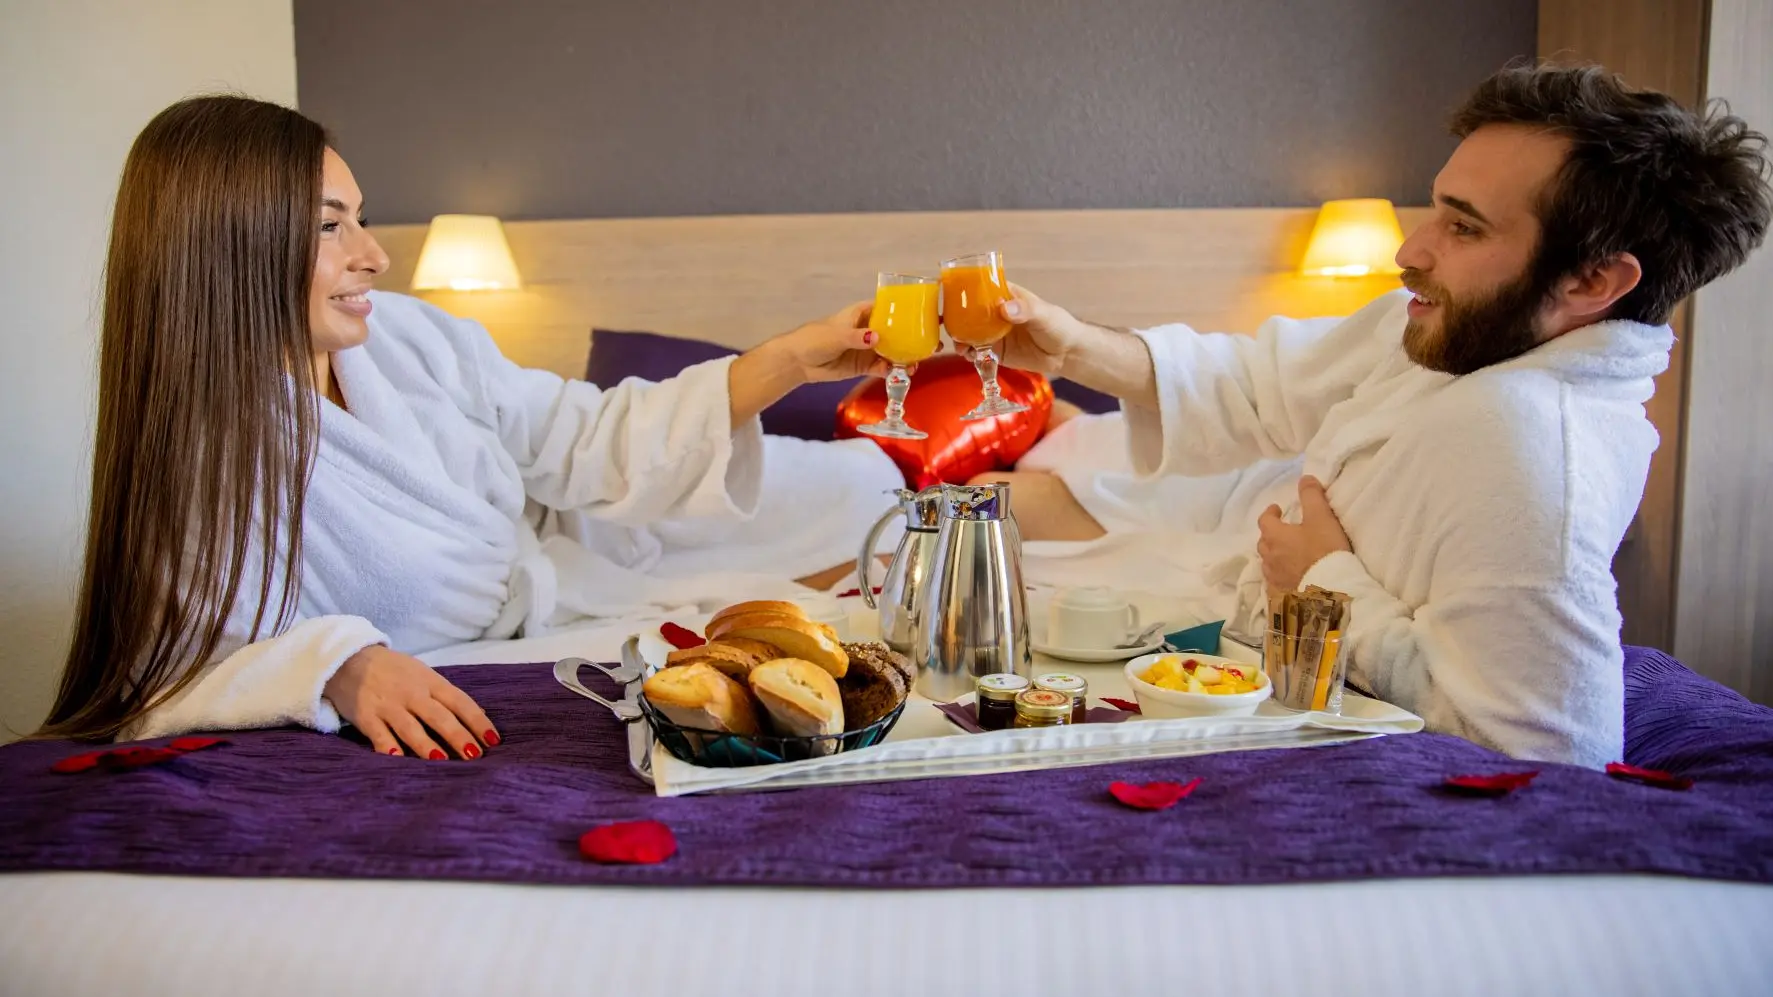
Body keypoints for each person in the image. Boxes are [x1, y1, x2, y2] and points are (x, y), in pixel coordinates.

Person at [39, 95, 899, 758]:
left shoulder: (410, 336)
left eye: (360, 219)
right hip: (542, 600)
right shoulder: (200, 454)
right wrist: (338, 663)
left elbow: (581, 437)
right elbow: (167, 668)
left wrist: (788, 359)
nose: (372, 256)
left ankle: (993, 510)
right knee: (808, 567)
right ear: (231, 247)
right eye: (330, 226)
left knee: (866, 480)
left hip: (579, 535)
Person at [985, 64, 1772, 767]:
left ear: (1593, 280)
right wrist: (1071, 351)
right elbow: (1260, 383)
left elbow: (1551, 748)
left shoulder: (1527, 442)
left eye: (1463, 226)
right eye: (1435, 211)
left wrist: (1323, 584)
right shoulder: (1453, 330)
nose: (1409, 249)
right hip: (1243, 609)